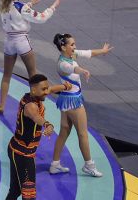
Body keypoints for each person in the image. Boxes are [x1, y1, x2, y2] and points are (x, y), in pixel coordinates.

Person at [0, 74, 68, 200]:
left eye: (46, 88)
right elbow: (37, 118)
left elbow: (51, 89)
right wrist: (48, 124)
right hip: (22, 154)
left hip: (19, 150)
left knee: (15, 190)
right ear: (33, 89)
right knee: (29, 194)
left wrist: (64, 87)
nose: (46, 91)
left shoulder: (37, 94)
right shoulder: (30, 106)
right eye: (43, 89)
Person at [48, 33, 113, 178]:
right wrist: (83, 71)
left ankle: (55, 164)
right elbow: (74, 69)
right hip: (73, 101)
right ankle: (89, 165)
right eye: (72, 45)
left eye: (74, 44)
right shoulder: (62, 64)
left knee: (64, 132)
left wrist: (102, 51)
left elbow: (88, 53)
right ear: (63, 47)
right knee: (82, 133)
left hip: (65, 100)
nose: (75, 47)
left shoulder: (71, 54)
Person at [0, 0, 60, 114]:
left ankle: (1, 105)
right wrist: (53, 7)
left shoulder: (5, 5)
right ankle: (36, 105)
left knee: (6, 75)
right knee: (33, 74)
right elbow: (41, 17)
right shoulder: (22, 7)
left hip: (9, 41)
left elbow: (19, 11)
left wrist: (30, 3)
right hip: (22, 40)